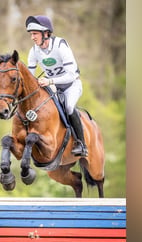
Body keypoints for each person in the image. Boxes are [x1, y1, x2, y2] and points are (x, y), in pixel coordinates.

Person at [25, 15, 88, 157]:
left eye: (35, 34)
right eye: (31, 34)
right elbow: (30, 77)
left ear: (45, 33)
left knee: (69, 107)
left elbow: (71, 75)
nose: (32, 38)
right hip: (52, 87)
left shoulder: (60, 45)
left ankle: (81, 144)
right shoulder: (34, 51)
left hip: (71, 85)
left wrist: (50, 81)